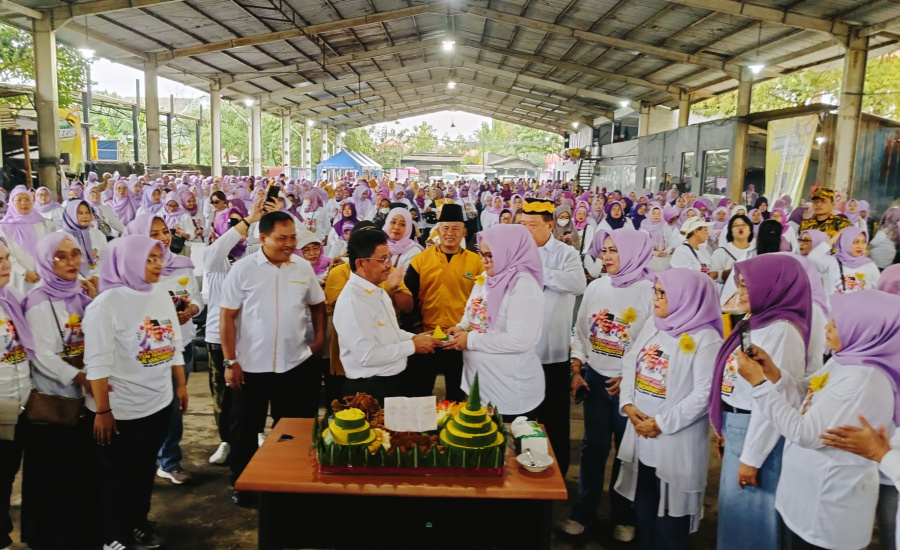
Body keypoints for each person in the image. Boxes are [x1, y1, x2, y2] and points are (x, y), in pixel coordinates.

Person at [737, 291, 900, 550]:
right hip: (808, 491)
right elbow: (809, 394)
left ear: (864, 329)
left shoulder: (863, 379)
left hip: (826, 506)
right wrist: (773, 372)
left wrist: (758, 384)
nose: (826, 326)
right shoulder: (846, 361)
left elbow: (805, 433)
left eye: (836, 323)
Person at [84, 236, 188, 550]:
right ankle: (114, 535)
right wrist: (103, 410)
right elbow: (97, 363)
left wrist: (181, 385)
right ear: (127, 261)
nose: (158, 265)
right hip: (121, 411)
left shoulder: (159, 293)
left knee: (143, 472)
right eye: (149, 259)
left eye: (159, 258)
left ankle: (138, 523)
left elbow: (175, 344)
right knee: (117, 477)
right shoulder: (107, 305)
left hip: (157, 403)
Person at [219, 211, 326, 507]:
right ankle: (243, 483)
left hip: (295, 364)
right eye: (282, 238)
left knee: (294, 427)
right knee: (244, 429)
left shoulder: (303, 268)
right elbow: (227, 317)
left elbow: (318, 305)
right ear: (262, 238)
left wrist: (318, 340)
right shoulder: (242, 270)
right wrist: (231, 362)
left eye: (293, 237)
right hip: (250, 366)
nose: (290, 244)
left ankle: (291, 479)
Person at [708, 254, 812, 550]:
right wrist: (724, 429)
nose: (739, 290)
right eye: (739, 283)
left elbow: (776, 402)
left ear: (772, 286)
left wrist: (751, 459)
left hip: (757, 430)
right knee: (736, 513)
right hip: (738, 425)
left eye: (746, 285)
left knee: (752, 518)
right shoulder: (756, 319)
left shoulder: (783, 331)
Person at [617, 269, 724, 550]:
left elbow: (704, 394)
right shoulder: (657, 324)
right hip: (643, 434)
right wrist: (628, 403)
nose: (655, 298)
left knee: (670, 519)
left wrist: (661, 423)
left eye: (662, 293)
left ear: (685, 297)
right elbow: (631, 361)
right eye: (655, 291)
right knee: (645, 505)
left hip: (673, 439)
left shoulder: (706, 338)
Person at [564, 229, 656, 540]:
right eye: (604, 250)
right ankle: (584, 511)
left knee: (626, 453)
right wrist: (576, 367)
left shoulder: (650, 291)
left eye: (614, 250)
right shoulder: (597, 287)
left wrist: (629, 379)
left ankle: (624, 515)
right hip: (594, 381)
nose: (606, 257)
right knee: (593, 449)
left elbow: (654, 344)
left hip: (629, 387)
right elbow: (579, 331)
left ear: (632, 252)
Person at [21, 232, 96, 550]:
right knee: (54, 476)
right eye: (61, 256)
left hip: (82, 401)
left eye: (75, 254)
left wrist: (94, 294)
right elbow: (42, 354)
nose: (71, 261)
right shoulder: (40, 301)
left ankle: (80, 533)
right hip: (55, 405)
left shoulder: (79, 293)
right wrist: (79, 377)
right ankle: (51, 539)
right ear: (46, 261)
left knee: (80, 473)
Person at [121, 215, 202, 485]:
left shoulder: (182, 264)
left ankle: (169, 460)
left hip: (183, 345)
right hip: (149, 351)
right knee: (149, 409)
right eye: (153, 233)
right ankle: (144, 460)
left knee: (173, 406)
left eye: (165, 231)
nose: (163, 238)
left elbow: (197, 297)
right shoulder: (130, 274)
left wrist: (192, 309)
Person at [444, 224, 545, 420]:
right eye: (481, 253)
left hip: (509, 394)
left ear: (509, 251)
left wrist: (470, 341)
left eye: (490, 255)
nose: (484, 261)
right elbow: (472, 312)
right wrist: (461, 327)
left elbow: (519, 340)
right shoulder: (487, 278)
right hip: (479, 387)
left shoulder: (524, 286)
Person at [333, 229, 439, 403]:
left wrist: (417, 337)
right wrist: (412, 346)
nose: (389, 264)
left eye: (388, 256)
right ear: (360, 263)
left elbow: (390, 333)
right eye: (382, 259)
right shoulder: (352, 302)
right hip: (369, 390)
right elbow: (367, 355)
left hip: (392, 381)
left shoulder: (377, 290)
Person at [520, 198, 586, 476]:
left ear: (550, 225)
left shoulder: (565, 253)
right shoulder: (516, 251)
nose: (526, 231)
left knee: (555, 419)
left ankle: (556, 473)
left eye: (532, 225)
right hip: (521, 351)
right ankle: (524, 465)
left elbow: (577, 283)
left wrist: (539, 272)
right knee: (524, 417)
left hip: (553, 354)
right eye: (522, 225)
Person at [202, 196, 262, 466]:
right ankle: (226, 440)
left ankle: (255, 433)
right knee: (222, 395)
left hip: (249, 340)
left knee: (251, 391)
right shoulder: (214, 261)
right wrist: (247, 219)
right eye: (233, 224)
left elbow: (269, 244)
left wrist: (262, 218)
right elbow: (222, 245)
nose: (240, 230)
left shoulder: (250, 258)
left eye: (243, 226)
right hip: (218, 340)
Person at [404, 204, 483, 401]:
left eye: (456, 228)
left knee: (457, 394)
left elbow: (483, 301)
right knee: (420, 392)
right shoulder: (420, 260)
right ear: (437, 231)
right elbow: (408, 297)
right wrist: (417, 330)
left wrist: (469, 332)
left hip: (459, 338)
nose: (450, 233)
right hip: (427, 336)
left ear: (464, 231)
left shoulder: (476, 263)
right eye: (445, 228)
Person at [0, 186, 57, 293]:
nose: (24, 203)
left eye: (27, 199)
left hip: (43, 275)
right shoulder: (3, 228)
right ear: (11, 203)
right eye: (19, 200)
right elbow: (4, 255)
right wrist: (24, 272)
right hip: (17, 277)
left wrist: (43, 269)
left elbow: (50, 249)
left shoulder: (44, 223)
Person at [60, 200, 108, 288]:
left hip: (96, 280)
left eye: (87, 212)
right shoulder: (61, 237)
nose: (85, 216)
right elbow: (62, 264)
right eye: (80, 213)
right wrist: (82, 280)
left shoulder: (98, 234)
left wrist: (97, 276)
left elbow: (105, 258)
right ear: (71, 215)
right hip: (71, 282)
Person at [710, 214, 754, 301]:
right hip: (728, 300)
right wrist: (729, 273)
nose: (740, 227)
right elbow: (713, 277)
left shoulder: (756, 252)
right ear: (730, 231)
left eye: (744, 225)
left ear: (750, 230)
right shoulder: (721, 252)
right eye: (735, 225)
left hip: (753, 299)